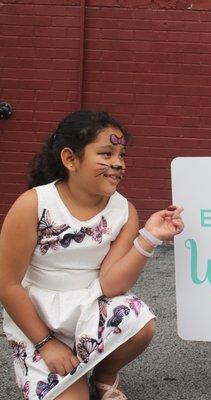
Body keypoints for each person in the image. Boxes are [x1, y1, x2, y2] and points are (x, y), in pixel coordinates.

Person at [0, 110, 184, 400]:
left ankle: (103, 374)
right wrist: (47, 343)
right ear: (70, 159)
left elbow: (111, 285)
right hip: (38, 320)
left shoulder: (124, 211)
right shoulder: (34, 204)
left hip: (87, 309)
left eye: (122, 155)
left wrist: (149, 238)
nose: (118, 164)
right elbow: (7, 283)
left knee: (141, 324)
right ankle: (66, 365)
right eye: (106, 153)